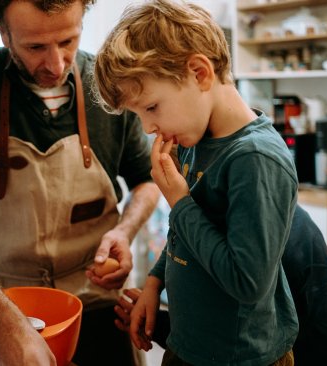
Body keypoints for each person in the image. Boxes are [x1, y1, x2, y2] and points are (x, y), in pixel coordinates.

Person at [0, 1, 160, 365]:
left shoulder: (107, 85)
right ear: (3, 32)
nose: (56, 64)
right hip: (7, 305)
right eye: (35, 48)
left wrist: (125, 231)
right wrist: (3, 323)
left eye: (68, 41)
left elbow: (146, 183)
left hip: (97, 305)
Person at [93, 1, 299, 365]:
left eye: (152, 107)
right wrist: (156, 281)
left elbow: (247, 283)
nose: (146, 128)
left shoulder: (255, 159)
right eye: (138, 114)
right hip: (191, 346)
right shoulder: (196, 139)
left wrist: (180, 202)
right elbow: (186, 234)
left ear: (199, 73)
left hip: (241, 357)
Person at [115, 205, 327, 366]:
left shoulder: (268, 239)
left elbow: (233, 342)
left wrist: (158, 324)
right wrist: (154, 314)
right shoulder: (208, 217)